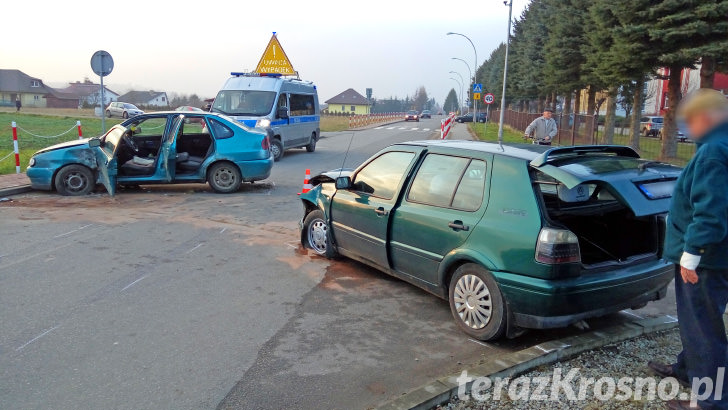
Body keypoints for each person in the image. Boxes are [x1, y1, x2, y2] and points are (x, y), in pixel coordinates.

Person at [648, 88, 728, 410]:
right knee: (699, 322)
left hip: (706, 260)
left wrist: (691, 255)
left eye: (689, 121)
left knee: (703, 331)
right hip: (720, 257)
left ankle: (708, 402)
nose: (685, 128)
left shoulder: (713, 152)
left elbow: (710, 213)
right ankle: (686, 369)